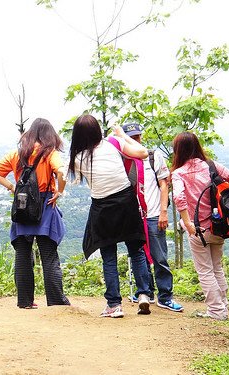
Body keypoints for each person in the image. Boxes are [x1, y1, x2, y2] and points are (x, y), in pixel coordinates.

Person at [67, 114, 152, 318]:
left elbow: (74, 180)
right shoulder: (113, 142)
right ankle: (144, 295)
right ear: (97, 130)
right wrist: (123, 135)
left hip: (102, 206)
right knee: (136, 250)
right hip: (125, 201)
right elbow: (143, 153)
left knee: (109, 257)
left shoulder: (78, 158)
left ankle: (114, 305)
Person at [0, 118, 70, 309]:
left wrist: (11, 186)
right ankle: (56, 301)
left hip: (22, 204)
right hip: (45, 205)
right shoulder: (49, 153)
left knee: (23, 254)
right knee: (48, 254)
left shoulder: (17, 154)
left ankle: (24, 301)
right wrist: (60, 190)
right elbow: (62, 172)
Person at [171, 132, 229, 320]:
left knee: (205, 270)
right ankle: (223, 306)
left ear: (178, 151)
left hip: (198, 230)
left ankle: (216, 311)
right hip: (220, 226)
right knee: (216, 267)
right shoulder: (211, 165)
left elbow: (179, 197)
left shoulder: (179, 174)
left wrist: (187, 222)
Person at [122, 123, 183, 313]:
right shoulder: (122, 159)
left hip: (154, 214)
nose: (136, 140)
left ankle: (165, 296)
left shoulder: (153, 156)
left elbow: (164, 185)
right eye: (132, 137)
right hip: (133, 216)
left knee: (160, 257)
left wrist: (163, 212)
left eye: (138, 136)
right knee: (138, 256)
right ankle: (145, 292)